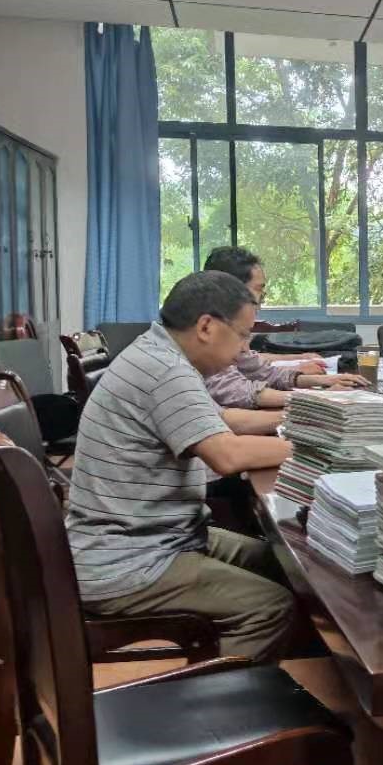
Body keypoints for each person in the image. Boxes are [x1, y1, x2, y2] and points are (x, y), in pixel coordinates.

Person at [65, 271, 299, 662]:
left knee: (286, 562)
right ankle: (214, 697)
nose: (244, 349)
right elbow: (227, 455)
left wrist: (312, 424)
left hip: (158, 535)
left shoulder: (159, 353)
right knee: (271, 606)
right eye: (242, 335)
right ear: (206, 326)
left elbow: (223, 422)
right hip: (130, 558)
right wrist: (323, 447)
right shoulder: (165, 370)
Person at [202, 246, 369, 410]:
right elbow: (237, 391)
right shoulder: (210, 328)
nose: (261, 300)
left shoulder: (228, 325)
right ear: (232, 290)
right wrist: (319, 398)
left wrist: (324, 381)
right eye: (259, 290)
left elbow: (261, 372)